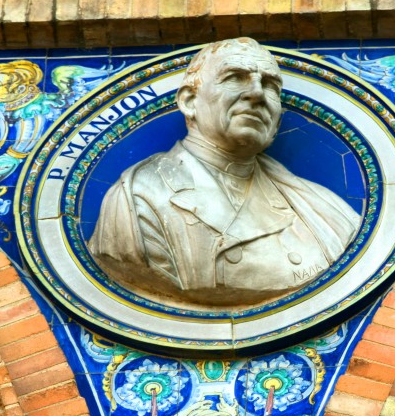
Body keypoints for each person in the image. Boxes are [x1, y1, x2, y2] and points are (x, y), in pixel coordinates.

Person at [87, 38, 361, 306]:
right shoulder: (138, 198)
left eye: (269, 86)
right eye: (235, 77)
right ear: (189, 101)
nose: (256, 93)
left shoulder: (325, 209)